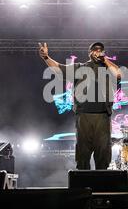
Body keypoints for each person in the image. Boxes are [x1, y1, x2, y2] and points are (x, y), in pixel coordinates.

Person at [40, 41, 121, 169]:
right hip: (84, 116)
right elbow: (59, 69)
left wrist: (105, 60)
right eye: (95, 50)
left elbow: (118, 74)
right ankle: (84, 185)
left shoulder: (108, 68)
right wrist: (46, 57)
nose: (98, 52)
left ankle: (102, 184)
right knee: (83, 152)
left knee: (103, 153)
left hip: (103, 116)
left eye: (101, 50)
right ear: (90, 53)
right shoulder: (80, 67)